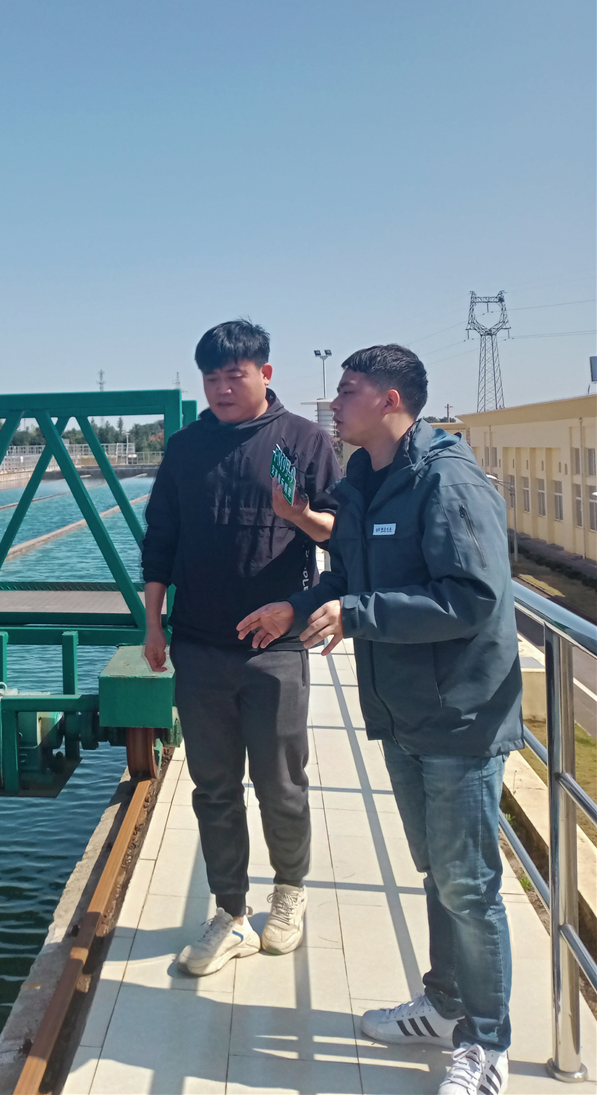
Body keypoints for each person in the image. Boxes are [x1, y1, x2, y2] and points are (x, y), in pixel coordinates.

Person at [237, 345, 522, 1095]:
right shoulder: (364, 477)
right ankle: (444, 1005)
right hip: (403, 713)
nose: (334, 402)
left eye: (347, 389)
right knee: (439, 873)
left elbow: (473, 596)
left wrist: (356, 614)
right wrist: (296, 606)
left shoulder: (446, 480)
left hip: (460, 715)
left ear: (390, 399)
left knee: (468, 885)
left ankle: (487, 1044)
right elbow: (346, 575)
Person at [142, 319, 340, 976]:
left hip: (276, 647)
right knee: (214, 787)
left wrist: (297, 516)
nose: (223, 388)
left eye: (236, 374)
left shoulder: (304, 440)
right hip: (198, 644)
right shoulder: (185, 448)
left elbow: (340, 534)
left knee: (281, 784)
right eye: (212, 377)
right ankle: (229, 911)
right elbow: (160, 539)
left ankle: (289, 892)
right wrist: (153, 624)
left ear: (265, 373)